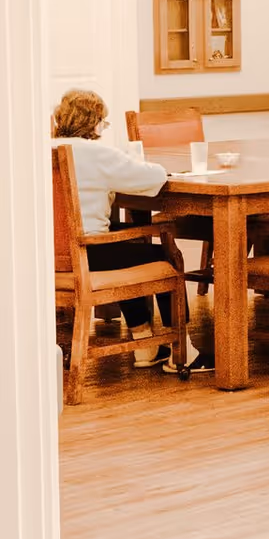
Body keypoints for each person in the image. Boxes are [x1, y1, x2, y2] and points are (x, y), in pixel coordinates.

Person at [52, 89, 203, 372]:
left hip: (48, 259)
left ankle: (145, 345)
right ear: (95, 123)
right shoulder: (97, 153)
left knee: (129, 253)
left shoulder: (40, 151)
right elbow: (152, 178)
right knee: (163, 256)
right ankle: (184, 351)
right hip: (88, 254)